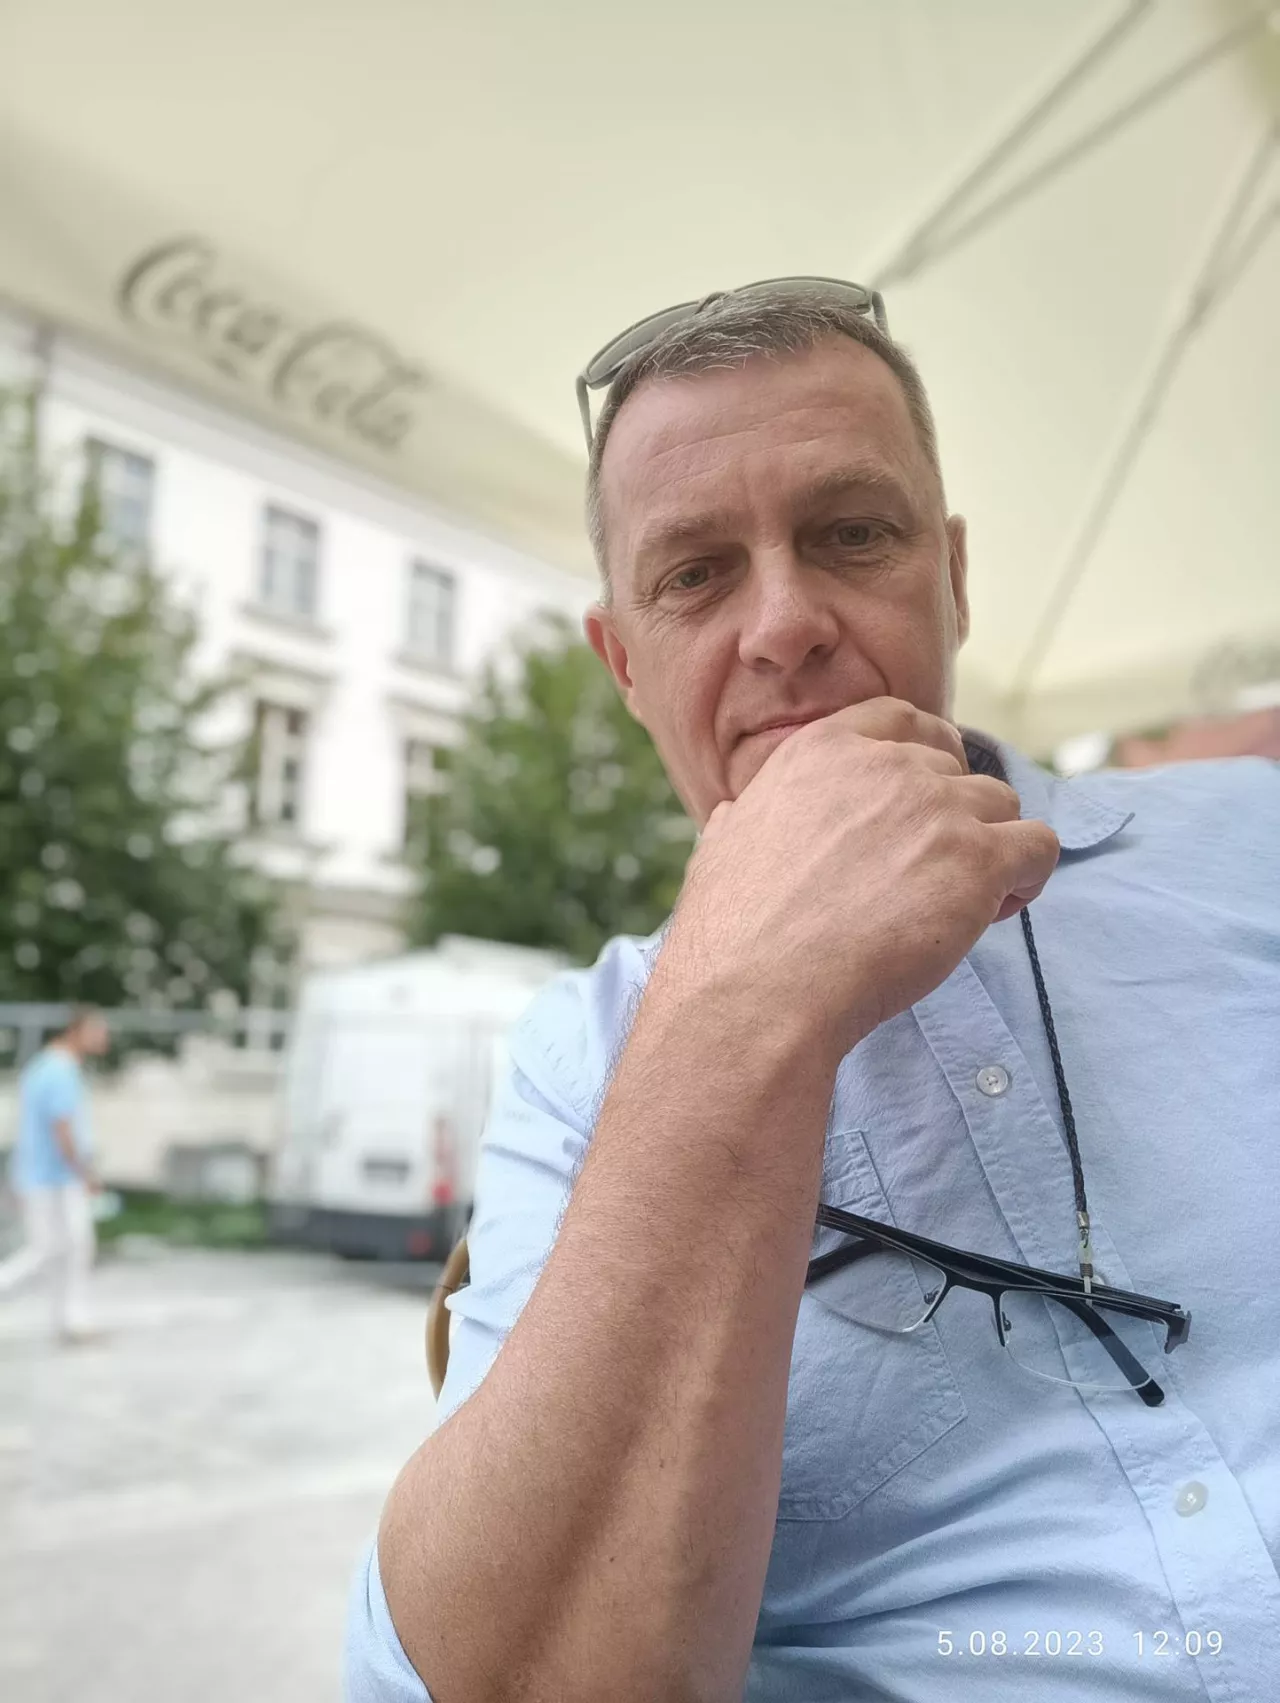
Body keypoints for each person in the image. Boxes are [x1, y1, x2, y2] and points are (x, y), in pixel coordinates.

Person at [345, 280, 1280, 1701]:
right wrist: (742, 998)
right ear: (624, 662)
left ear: (949, 574)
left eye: (851, 533)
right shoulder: (582, 1059)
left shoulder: (1246, 842)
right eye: (694, 574)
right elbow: (501, 1675)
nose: (783, 622)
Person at [0, 1006, 110, 1341]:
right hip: (55, 1176)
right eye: (97, 1032)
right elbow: (62, 1128)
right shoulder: (59, 1071)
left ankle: (70, 1320)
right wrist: (85, 1172)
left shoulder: (45, 1067)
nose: (103, 1039)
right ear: (75, 1031)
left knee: (64, 1249)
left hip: (43, 1175)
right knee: (60, 1249)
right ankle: (72, 1319)